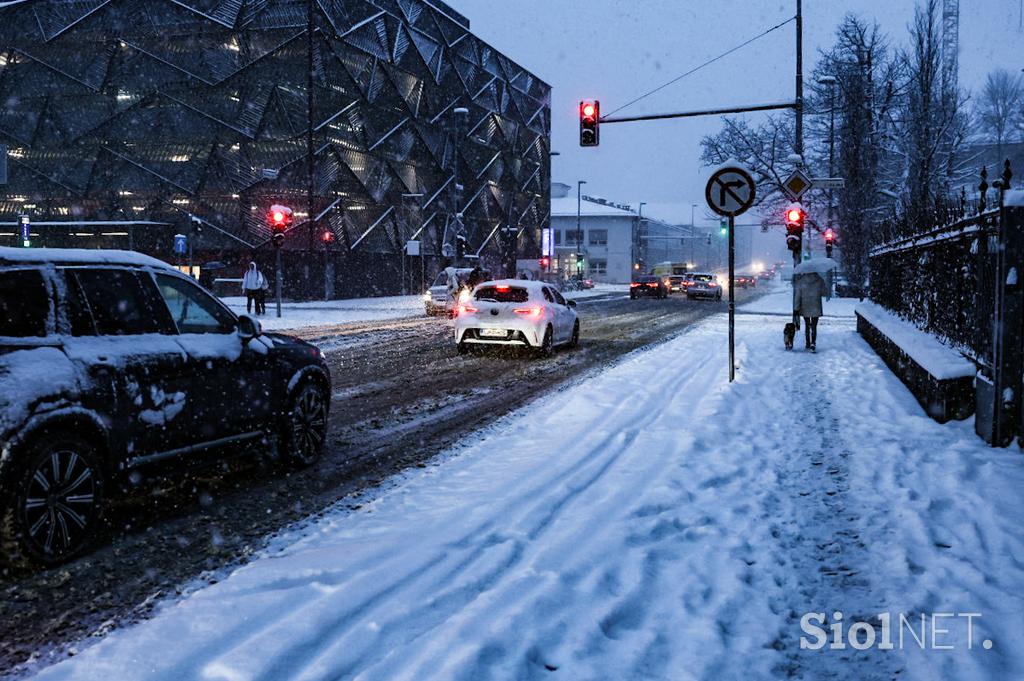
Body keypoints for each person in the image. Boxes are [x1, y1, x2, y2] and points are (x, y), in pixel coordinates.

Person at [793, 271, 830, 352]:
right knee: (814, 326)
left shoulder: (801, 281)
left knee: (807, 325)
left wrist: (796, 308)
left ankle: (807, 343)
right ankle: (813, 342)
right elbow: (824, 293)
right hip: (815, 306)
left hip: (805, 306)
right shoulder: (819, 280)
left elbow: (798, 296)